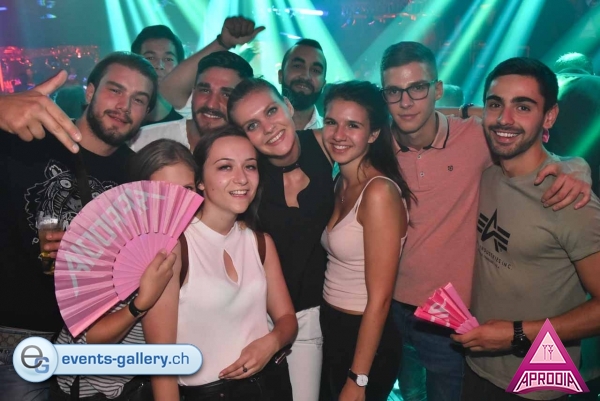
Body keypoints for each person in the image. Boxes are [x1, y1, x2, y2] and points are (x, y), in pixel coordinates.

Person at [380, 42, 593, 401]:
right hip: (400, 312)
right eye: (393, 91)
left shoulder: (481, 141)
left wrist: (576, 164)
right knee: (410, 392)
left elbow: (525, 143)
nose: (405, 101)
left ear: (437, 89)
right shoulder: (379, 145)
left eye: (417, 88)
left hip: (462, 326)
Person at [0, 51, 158, 401]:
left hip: (88, 351)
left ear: (147, 112)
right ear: (90, 92)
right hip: (15, 337)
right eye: (115, 90)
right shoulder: (28, 136)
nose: (124, 106)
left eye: (138, 100)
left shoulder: (139, 177)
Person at [452, 57, 600, 401]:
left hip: (540, 384)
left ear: (549, 116)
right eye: (495, 104)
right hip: (478, 365)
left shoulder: (569, 198)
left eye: (523, 107)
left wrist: (517, 334)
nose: (505, 119)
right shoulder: (487, 175)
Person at [143, 126, 298, 401]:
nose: (242, 178)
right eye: (225, 167)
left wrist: (271, 342)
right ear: (200, 181)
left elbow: (287, 319)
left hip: (271, 385)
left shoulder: (260, 242)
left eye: (250, 166)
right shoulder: (174, 248)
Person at [50, 140, 194, 400]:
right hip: (88, 388)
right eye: (164, 192)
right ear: (141, 193)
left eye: (187, 190)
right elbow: (88, 338)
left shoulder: (191, 235)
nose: (177, 203)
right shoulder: (116, 238)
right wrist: (140, 305)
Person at [228, 78, 334, 401]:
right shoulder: (245, 177)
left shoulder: (327, 145)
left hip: (313, 315)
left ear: (288, 106)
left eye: (272, 111)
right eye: (252, 125)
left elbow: (382, 130)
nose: (268, 128)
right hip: (254, 316)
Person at [319, 81, 408, 400]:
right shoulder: (339, 181)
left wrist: (358, 379)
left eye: (353, 125)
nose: (338, 134)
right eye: (332, 122)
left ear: (373, 134)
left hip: (363, 337)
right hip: (333, 326)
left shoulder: (379, 192)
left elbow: (380, 299)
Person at [129, 51, 253, 153]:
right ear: (193, 93)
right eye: (205, 90)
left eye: (226, 94)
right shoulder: (143, 142)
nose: (211, 104)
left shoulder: (249, 153)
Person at [131, 25, 186, 125]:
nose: (160, 66)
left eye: (168, 59)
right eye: (150, 58)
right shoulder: (122, 113)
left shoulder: (189, 118)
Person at [279, 38, 327, 131]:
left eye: (315, 70)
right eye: (297, 66)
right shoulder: (258, 131)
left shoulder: (331, 134)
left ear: (323, 84)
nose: (305, 76)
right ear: (280, 76)